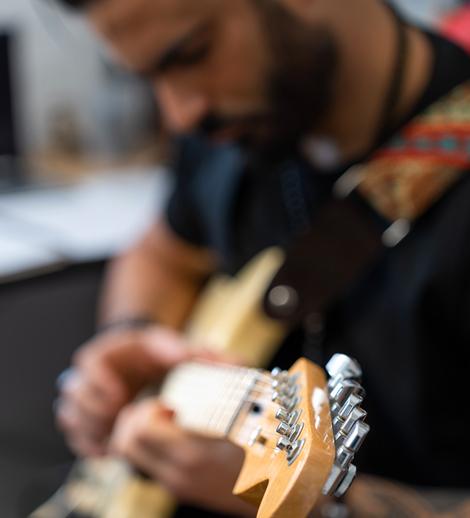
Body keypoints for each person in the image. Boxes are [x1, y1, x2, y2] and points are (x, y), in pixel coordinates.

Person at [53, 0, 470, 516]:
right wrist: (129, 336)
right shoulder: (232, 125)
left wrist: (324, 506)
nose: (180, 114)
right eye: (149, 77)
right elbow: (161, 252)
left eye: (190, 53)